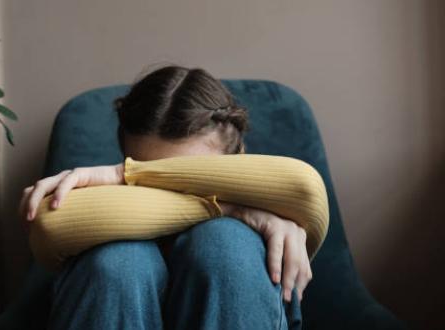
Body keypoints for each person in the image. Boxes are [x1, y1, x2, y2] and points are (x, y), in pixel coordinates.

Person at [20, 65, 329, 329]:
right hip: (116, 278)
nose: (170, 186)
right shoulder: (102, 214)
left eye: (190, 175)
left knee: (224, 245)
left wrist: (124, 177)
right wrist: (230, 206)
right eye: (146, 176)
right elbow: (48, 223)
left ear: (240, 161)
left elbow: (305, 186)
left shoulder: (276, 216)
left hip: (229, 262)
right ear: (127, 160)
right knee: (118, 263)